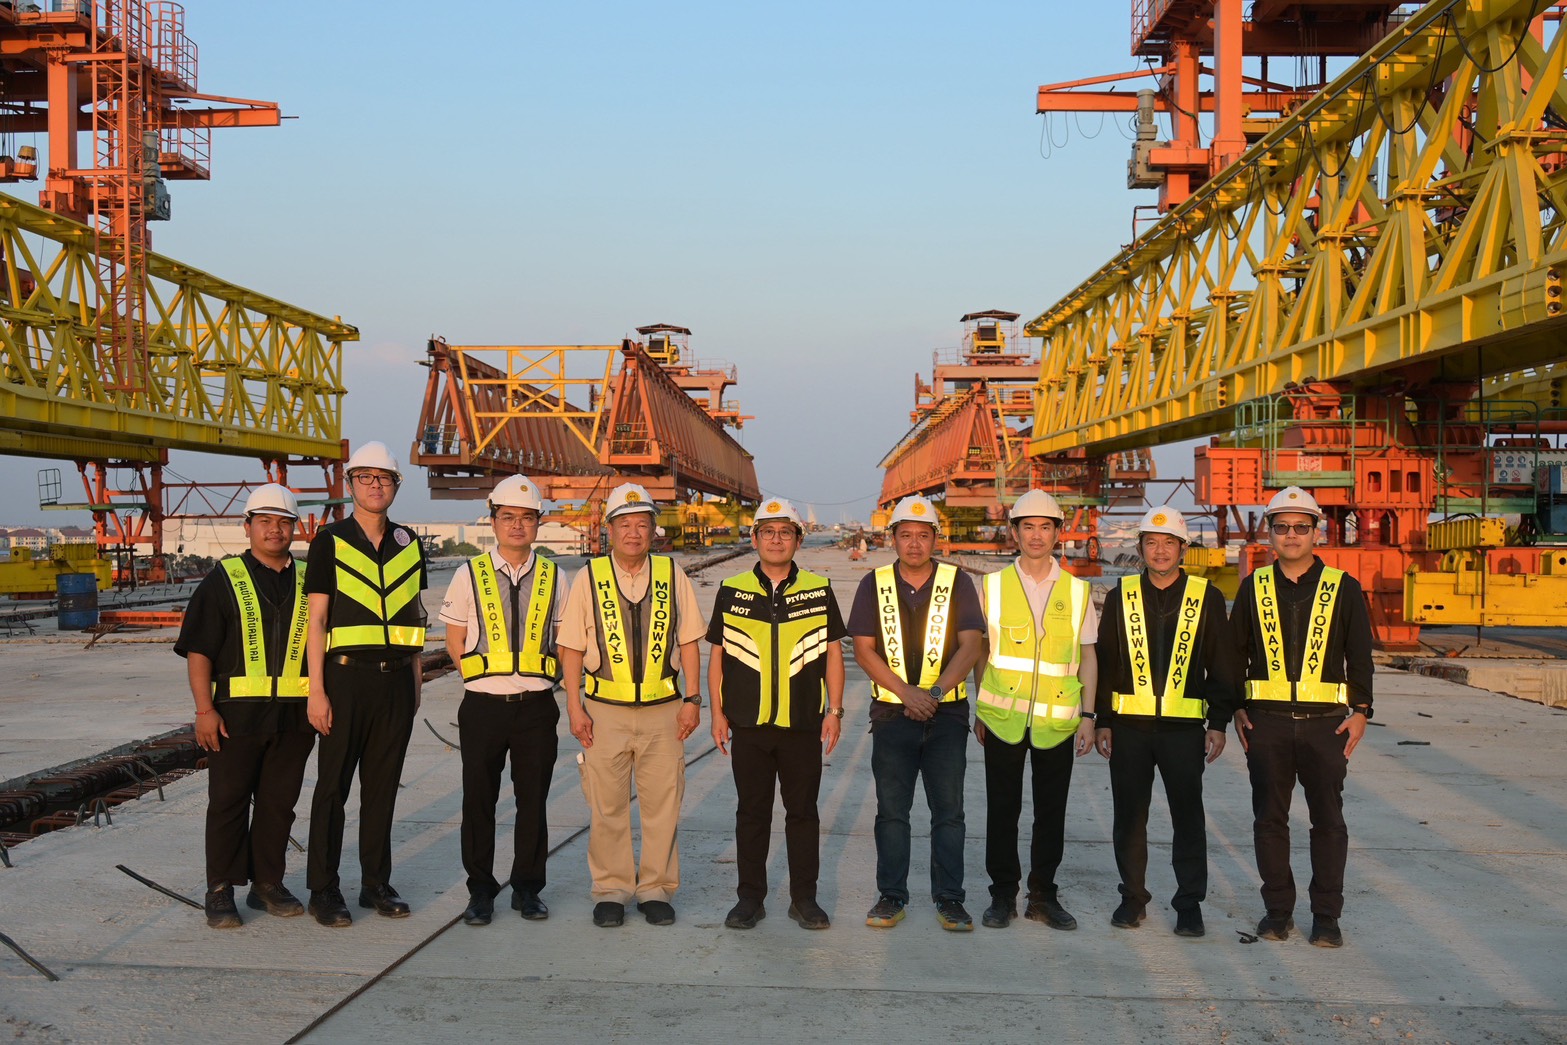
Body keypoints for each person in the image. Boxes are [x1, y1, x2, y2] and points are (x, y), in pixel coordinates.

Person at [1231, 486, 1373, 949]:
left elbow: (1360, 655)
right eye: (1282, 527)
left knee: (1328, 822)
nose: (1291, 535)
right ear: (1269, 532)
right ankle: (1277, 912)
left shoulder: (1343, 587)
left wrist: (1362, 711)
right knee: (1269, 821)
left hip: (1326, 724)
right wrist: (1235, 706)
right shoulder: (1253, 587)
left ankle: (1326, 918)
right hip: (1266, 723)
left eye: (1300, 527)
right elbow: (1235, 653)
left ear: (1317, 532)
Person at [558, 483, 705, 928]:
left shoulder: (672, 574)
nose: (634, 532)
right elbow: (570, 646)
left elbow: (689, 640)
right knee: (607, 806)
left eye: (642, 524)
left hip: (664, 711)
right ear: (610, 529)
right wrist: (574, 706)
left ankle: (656, 889)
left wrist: (693, 699)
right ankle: (612, 890)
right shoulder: (589, 577)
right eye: (625, 524)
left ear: (654, 530)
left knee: (664, 805)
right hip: (604, 711)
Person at [1093, 505, 1236, 938]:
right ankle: (1132, 898)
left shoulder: (1206, 596)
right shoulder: (1120, 596)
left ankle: (1189, 905)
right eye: (1151, 543)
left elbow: (1222, 664)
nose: (1160, 551)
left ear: (1183, 549)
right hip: (1129, 728)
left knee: (1187, 819)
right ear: (1140, 548)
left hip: (1183, 731)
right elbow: (1106, 663)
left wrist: (1219, 722)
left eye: (1168, 543)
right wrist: (1102, 720)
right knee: (1129, 818)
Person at [176, 484, 316, 929]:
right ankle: (220, 889)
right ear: (248, 526)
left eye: (284, 522)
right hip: (235, 716)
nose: (275, 530)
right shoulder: (224, 578)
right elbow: (199, 649)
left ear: (296, 528)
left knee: (279, 804)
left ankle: (267, 884)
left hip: (294, 716)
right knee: (228, 802)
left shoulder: (311, 579)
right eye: (265, 521)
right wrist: (204, 710)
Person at [303, 441, 428, 927]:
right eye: (366, 477)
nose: (376, 485)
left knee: (382, 790)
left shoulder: (408, 543)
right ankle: (323, 888)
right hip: (345, 679)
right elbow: (316, 622)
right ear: (350, 484)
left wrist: (415, 682)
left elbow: (413, 616)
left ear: (396, 485)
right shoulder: (329, 541)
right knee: (332, 788)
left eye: (385, 478)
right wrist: (316, 690)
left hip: (395, 683)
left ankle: (376, 883)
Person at [848, 494, 984, 931]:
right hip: (892, 715)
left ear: (935, 539)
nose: (914, 543)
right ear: (893, 538)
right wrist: (907, 693)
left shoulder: (957, 581)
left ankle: (950, 900)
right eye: (905, 534)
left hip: (947, 716)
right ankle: (891, 896)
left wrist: (936, 692)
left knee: (949, 812)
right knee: (892, 812)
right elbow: (864, 650)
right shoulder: (873, 583)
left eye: (923, 535)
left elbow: (971, 644)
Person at [709, 498, 846, 930]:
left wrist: (834, 710)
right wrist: (717, 713)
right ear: (754, 539)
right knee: (752, 814)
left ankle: (804, 899)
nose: (776, 539)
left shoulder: (818, 589)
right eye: (767, 532)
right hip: (748, 725)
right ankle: (750, 899)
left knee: (803, 813)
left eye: (785, 532)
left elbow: (833, 653)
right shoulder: (731, 590)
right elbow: (717, 656)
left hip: (801, 724)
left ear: (797, 541)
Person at [440, 475, 565, 927]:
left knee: (533, 801)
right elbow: (454, 639)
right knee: (479, 801)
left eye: (526, 518)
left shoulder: (554, 575)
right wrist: (481, 678)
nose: (517, 525)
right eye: (508, 517)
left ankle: (528, 889)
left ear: (538, 523)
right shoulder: (467, 573)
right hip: (483, 707)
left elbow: (564, 639)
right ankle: (480, 891)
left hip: (536, 706)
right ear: (493, 521)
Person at [972, 489, 1098, 931]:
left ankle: (1043, 895)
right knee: (1002, 810)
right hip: (1002, 718)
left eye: (1046, 527)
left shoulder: (1078, 591)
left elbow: (1088, 656)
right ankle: (1002, 894)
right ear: (1014, 532)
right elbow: (982, 651)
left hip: (1057, 721)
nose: (1037, 535)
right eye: (1028, 527)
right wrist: (981, 708)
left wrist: (1088, 716)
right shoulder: (993, 587)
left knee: (1051, 813)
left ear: (1058, 533)